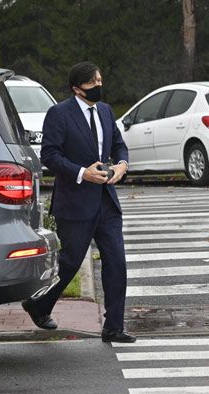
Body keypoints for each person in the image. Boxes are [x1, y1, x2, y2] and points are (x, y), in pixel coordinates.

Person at [22, 62, 136, 344]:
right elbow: (49, 155)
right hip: (74, 202)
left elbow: (118, 145)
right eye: (92, 82)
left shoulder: (107, 111)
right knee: (69, 263)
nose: (98, 85)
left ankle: (113, 327)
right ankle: (38, 305)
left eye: (100, 79)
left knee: (116, 262)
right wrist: (82, 173)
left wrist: (121, 165)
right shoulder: (59, 113)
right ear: (77, 88)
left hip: (106, 202)